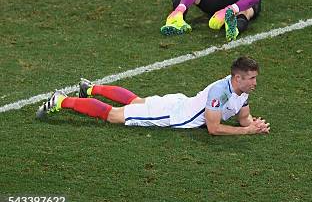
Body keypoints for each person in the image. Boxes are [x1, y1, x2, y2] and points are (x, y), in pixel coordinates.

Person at [36, 57, 270, 135]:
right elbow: (213, 128)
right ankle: (61, 100)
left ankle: (90, 88)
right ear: (238, 78)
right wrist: (246, 131)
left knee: (137, 101)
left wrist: (254, 125)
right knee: (115, 115)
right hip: (174, 114)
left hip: (181, 101)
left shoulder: (241, 91)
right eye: (251, 78)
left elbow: (243, 118)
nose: (255, 83)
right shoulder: (220, 92)